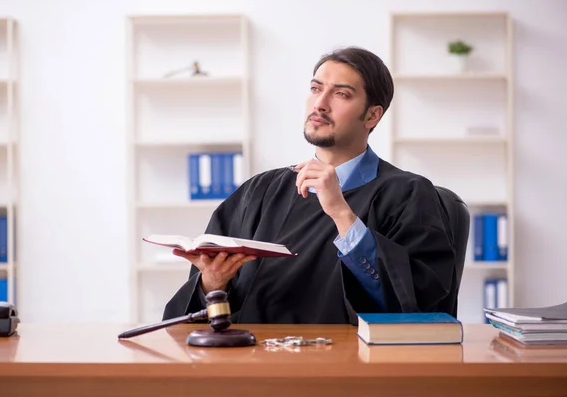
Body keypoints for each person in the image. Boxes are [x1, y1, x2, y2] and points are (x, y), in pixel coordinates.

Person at [162, 46, 457, 325]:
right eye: (316, 89)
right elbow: (204, 314)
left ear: (372, 115)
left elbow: (414, 304)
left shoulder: (409, 194)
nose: (320, 103)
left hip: (350, 367)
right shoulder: (259, 191)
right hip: (256, 363)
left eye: (340, 94)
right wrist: (212, 283)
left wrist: (342, 214)